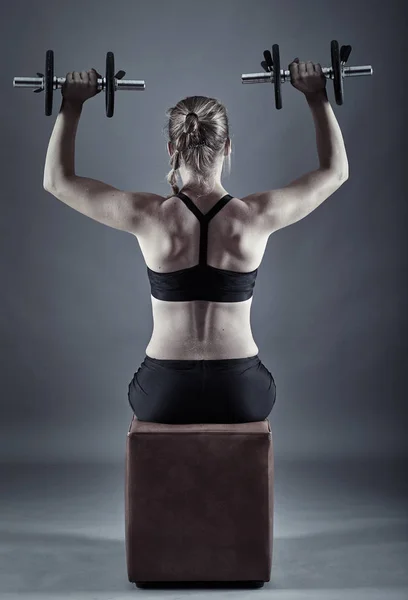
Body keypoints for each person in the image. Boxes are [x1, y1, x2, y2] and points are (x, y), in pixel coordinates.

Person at [43, 59, 349, 424]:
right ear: (228, 147)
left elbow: (57, 181)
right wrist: (317, 96)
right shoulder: (256, 216)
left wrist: (72, 103)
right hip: (242, 391)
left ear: (172, 149)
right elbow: (335, 172)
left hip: (162, 390)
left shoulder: (149, 216)